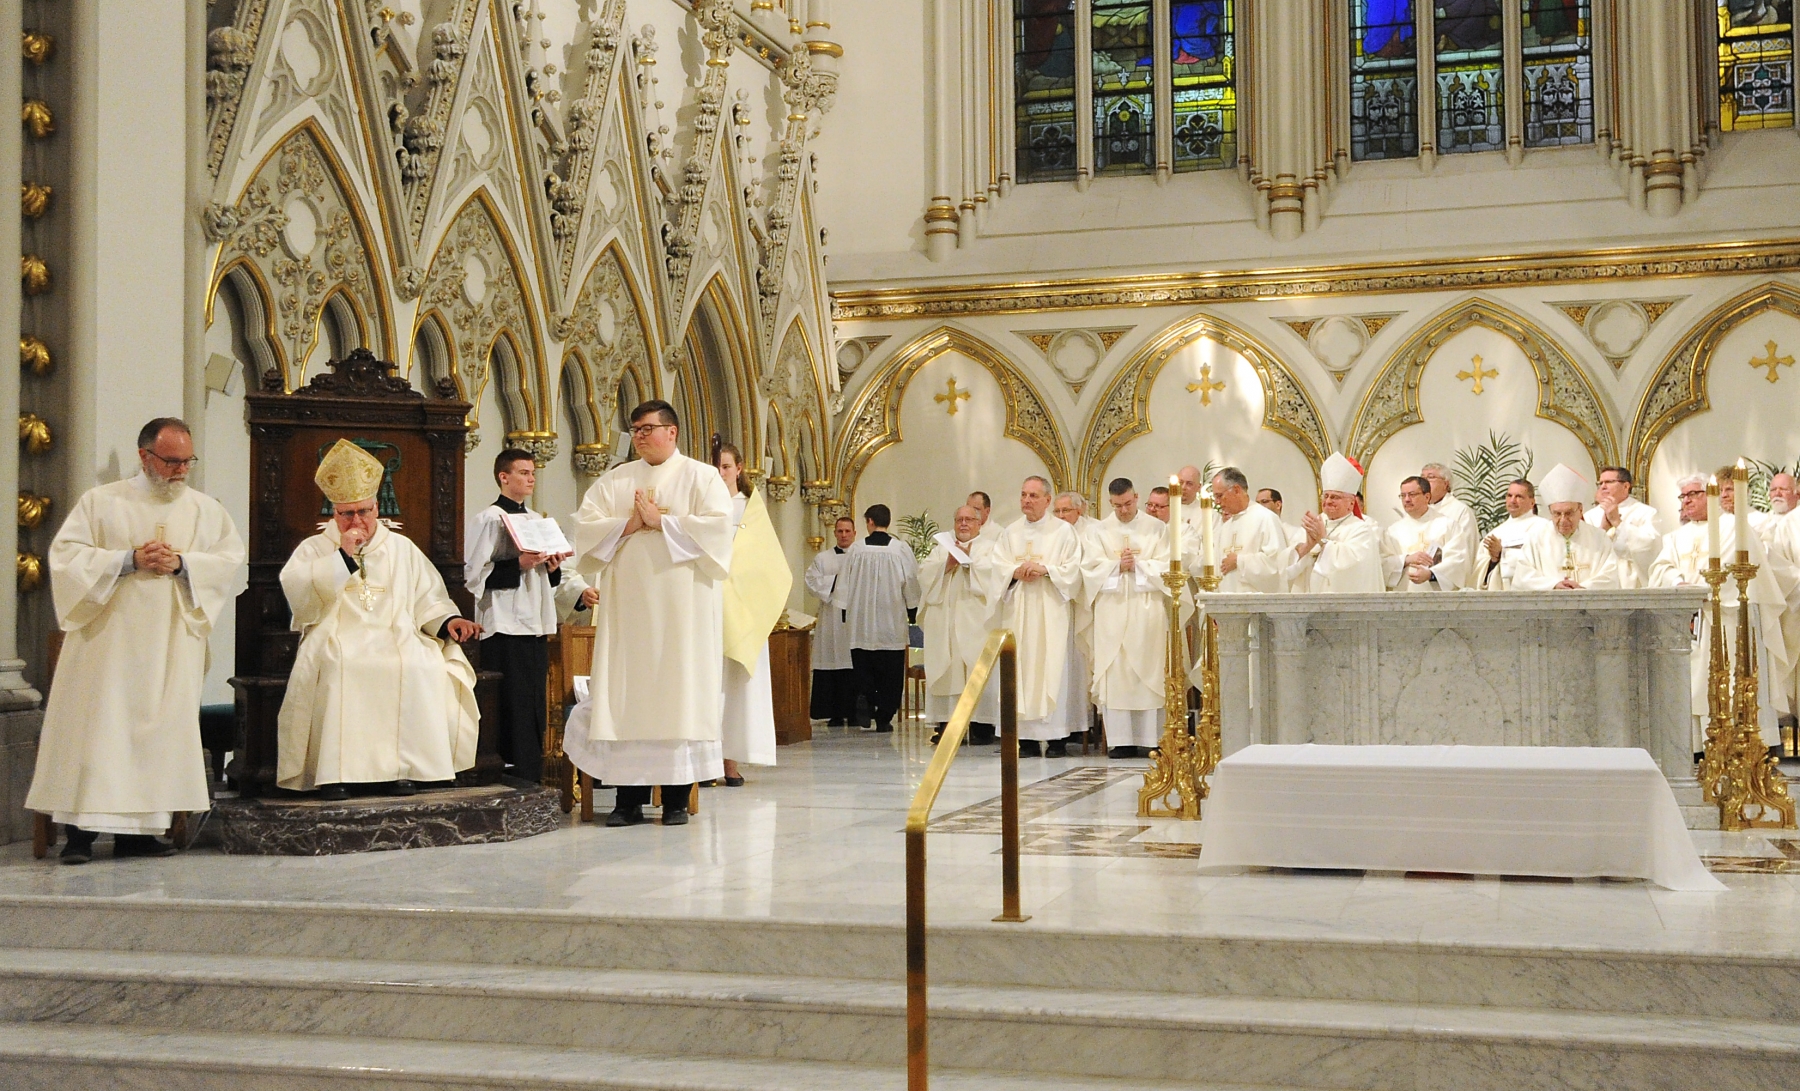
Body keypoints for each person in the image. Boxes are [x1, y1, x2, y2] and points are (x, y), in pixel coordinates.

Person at [26, 418, 245, 864]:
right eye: (171, 462)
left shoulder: (205, 511)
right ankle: (80, 837)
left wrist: (184, 564)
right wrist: (127, 560)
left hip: (169, 646)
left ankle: (139, 834)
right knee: (97, 734)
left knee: (157, 737)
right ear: (145, 456)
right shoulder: (101, 502)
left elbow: (229, 562)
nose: (181, 471)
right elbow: (67, 559)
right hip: (106, 645)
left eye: (187, 461)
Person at [277, 440, 482, 800]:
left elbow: (427, 596)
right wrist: (342, 556)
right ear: (333, 513)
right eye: (347, 514)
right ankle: (335, 774)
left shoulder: (401, 547)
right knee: (342, 664)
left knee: (419, 663)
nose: (357, 522)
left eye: (364, 512)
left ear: (377, 508)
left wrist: (447, 620)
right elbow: (300, 594)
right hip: (337, 637)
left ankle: (403, 769)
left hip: (398, 635)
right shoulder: (316, 547)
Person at [564, 400, 734, 827]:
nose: (640, 435)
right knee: (629, 699)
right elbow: (583, 530)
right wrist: (629, 526)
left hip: (684, 612)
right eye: (635, 429)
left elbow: (718, 530)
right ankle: (628, 801)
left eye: (648, 428)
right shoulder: (617, 479)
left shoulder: (702, 476)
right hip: (629, 614)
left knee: (677, 696)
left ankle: (677, 800)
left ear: (672, 432)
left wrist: (663, 523)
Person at [1648, 471, 1791, 748]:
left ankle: (1740, 745)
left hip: (1727, 618)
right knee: (1694, 686)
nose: (1686, 501)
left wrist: (1700, 589)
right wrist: (1678, 583)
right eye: (1683, 496)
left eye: (1693, 494)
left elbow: (1733, 564)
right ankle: (1699, 749)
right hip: (1688, 621)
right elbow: (1660, 567)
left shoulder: (1733, 526)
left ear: (1710, 496)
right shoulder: (1676, 536)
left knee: (1732, 683)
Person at [465, 448, 567, 785]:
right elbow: (472, 576)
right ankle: (509, 771)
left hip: (535, 623)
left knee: (534, 700)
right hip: (504, 624)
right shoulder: (489, 519)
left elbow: (546, 582)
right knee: (511, 701)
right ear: (503, 477)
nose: (530, 478)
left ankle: (531, 771)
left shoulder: (538, 521)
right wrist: (516, 565)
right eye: (523, 472)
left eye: (532, 473)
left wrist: (552, 569)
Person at [981, 476, 1083, 757]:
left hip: (1051, 610)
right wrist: (1014, 572)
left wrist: (1045, 569)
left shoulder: (1063, 532)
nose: (1026, 500)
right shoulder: (1010, 532)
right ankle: (1024, 739)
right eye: (1023, 495)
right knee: (1020, 668)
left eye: (1033, 496)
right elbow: (996, 566)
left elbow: (1073, 570)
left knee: (1052, 666)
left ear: (1048, 500)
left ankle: (1057, 738)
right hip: (1019, 610)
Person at [714, 443, 790, 786]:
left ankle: (730, 762)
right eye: (716, 467)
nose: (721, 473)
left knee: (736, 687)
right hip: (709, 606)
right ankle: (704, 763)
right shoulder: (702, 508)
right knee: (709, 685)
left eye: (726, 467)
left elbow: (766, 564)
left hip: (742, 607)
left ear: (739, 469)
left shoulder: (750, 510)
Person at [1083, 479, 1174, 758]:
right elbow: (1088, 569)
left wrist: (1140, 565)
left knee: (1149, 669)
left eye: (1128, 504)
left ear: (1136, 497)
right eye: (1117, 505)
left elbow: (1170, 565)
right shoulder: (1098, 531)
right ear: (1110, 503)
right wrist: (1114, 567)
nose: (1123, 510)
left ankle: (1151, 738)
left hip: (1147, 610)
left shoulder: (1157, 528)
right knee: (1116, 671)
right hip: (1112, 609)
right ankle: (1120, 741)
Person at [918, 505, 1000, 745]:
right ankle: (947, 723)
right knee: (949, 667)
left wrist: (970, 564)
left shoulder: (989, 548)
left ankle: (980, 725)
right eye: (959, 520)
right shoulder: (941, 549)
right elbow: (924, 574)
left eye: (968, 520)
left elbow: (995, 575)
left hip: (976, 623)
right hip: (945, 622)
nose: (963, 524)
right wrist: (947, 565)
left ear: (979, 523)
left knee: (976, 668)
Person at [834, 503, 920, 733]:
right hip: (890, 620)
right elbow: (911, 581)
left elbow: (844, 582)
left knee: (864, 667)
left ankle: (866, 699)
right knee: (890, 672)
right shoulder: (900, 550)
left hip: (861, 621)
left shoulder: (856, 549)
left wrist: (844, 609)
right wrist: (912, 608)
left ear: (870, 522)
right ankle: (885, 717)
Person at [1510, 465, 1620, 590]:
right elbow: (1523, 576)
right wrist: (1553, 585)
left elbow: (1611, 575)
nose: (1563, 520)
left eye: (1569, 513)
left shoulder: (1599, 537)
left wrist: (1584, 588)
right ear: (1550, 512)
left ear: (1580, 510)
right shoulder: (1536, 538)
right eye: (1557, 514)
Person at [1286, 453, 1384, 593]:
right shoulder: (1315, 523)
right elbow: (1288, 571)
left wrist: (1323, 541)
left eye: (1335, 497)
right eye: (1326, 496)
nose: (1328, 501)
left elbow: (1354, 569)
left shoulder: (1361, 529)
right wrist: (1308, 546)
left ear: (1351, 504)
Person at [1054, 490, 1102, 750]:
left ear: (1080, 510)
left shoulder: (1094, 531)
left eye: (1066, 511)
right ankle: (1066, 721)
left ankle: (1085, 721)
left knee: (1084, 664)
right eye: (1058, 511)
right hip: (1058, 605)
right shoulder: (1051, 532)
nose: (1061, 516)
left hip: (1086, 606)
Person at [1193, 467, 1290, 593]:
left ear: (1237, 490)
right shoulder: (1226, 527)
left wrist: (1240, 561)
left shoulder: (1266, 518)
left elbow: (1277, 565)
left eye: (1220, 495)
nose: (1217, 502)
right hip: (1227, 605)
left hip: (1259, 607)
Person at [804, 516, 858, 726]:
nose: (844, 535)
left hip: (854, 618)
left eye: (847, 531)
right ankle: (833, 713)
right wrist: (837, 580)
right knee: (832, 661)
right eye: (840, 531)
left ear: (855, 533)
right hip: (831, 618)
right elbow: (811, 581)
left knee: (854, 664)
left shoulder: (862, 557)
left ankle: (855, 713)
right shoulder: (823, 558)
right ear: (834, 533)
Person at [1584, 466, 1660, 588]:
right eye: (1600, 483)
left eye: (1609, 482)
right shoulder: (1590, 515)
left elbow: (1650, 546)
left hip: (1631, 583)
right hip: (1600, 582)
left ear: (1626, 486)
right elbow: (1587, 550)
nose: (1603, 486)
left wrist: (1618, 523)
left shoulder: (1645, 512)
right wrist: (1602, 530)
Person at [1380, 476, 1454, 592]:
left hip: (1438, 598)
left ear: (1427, 497)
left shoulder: (1447, 526)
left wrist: (1431, 574)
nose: (1407, 499)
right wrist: (1406, 560)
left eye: (1412, 494)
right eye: (1403, 495)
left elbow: (1457, 561)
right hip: (1402, 597)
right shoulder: (1393, 531)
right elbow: (1383, 564)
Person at [1477, 479, 1546, 590]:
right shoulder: (1495, 533)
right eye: (1509, 495)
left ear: (1532, 502)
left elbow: (1541, 562)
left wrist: (1502, 554)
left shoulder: (1542, 527)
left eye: (1519, 496)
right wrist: (1493, 561)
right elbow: (1479, 572)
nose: (1513, 501)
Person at [1420, 462, 1480, 589]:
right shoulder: (1420, 511)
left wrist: (1435, 572)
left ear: (1446, 484)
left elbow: (1465, 551)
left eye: (1430, 477)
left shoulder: (1460, 511)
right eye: (1422, 478)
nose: (1424, 482)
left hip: (1448, 581)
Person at [1256, 487, 1309, 589]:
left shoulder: (1295, 533)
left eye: (1264, 502)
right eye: (1257, 503)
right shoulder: (1254, 533)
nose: (1260, 507)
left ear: (1278, 505)